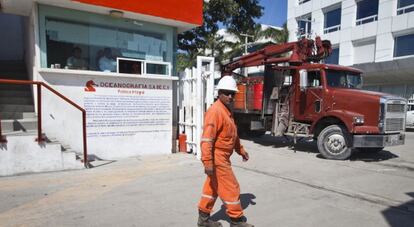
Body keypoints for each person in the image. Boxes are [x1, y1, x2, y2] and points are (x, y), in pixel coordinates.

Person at [197, 76, 254, 227]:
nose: (230, 96)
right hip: (217, 157)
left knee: (212, 188)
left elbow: (232, 135)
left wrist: (240, 150)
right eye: (227, 93)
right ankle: (237, 221)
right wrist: (208, 162)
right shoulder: (215, 111)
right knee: (231, 186)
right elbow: (207, 140)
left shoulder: (227, 111)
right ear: (219, 93)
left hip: (222, 156)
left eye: (232, 93)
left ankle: (203, 220)